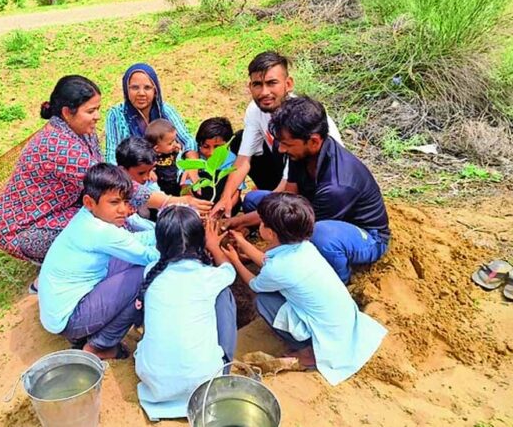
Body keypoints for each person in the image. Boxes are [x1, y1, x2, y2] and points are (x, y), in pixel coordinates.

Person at [223, 193, 387, 385]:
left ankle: (309, 351)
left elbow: (254, 283)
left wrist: (233, 260)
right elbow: (268, 263)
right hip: (340, 322)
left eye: (262, 222)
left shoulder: (279, 269)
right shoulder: (303, 247)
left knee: (263, 300)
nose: (259, 224)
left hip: (326, 338)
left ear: (270, 233)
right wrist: (242, 242)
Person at [235, 97, 391, 283]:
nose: (281, 149)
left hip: (365, 235)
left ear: (314, 141)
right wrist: (237, 221)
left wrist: (254, 253)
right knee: (255, 199)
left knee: (322, 236)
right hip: (313, 208)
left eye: (287, 144)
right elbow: (288, 196)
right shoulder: (300, 154)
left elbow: (300, 232)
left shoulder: (337, 185)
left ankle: (339, 281)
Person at [38, 164, 159, 360]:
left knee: (128, 262)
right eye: (114, 202)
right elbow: (149, 257)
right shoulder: (102, 232)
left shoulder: (88, 219)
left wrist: (161, 232)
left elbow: (132, 242)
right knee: (144, 273)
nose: (123, 209)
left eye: (125, 201)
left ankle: (91, 331)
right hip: (70, 319)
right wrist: (178, 241)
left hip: (60, 310)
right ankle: (99, 345)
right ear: (89, 202)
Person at [134, 206, 237, 420]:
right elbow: (230, 271)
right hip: (205, 384)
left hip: (155, 383)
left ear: (160, 242)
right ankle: (225, 365)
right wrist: (214, 246)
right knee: (224, 295)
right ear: (200, 241)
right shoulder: (209, 277)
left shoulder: (151, 271)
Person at [212, 51, 342, 219]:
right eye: (258, 84)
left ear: (288, 84)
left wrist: (244, 221)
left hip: (319, 184)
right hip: (287, 170)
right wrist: (225, 198)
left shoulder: (301, 119)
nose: (264, 92)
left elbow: (291, 183)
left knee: (275, 211)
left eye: (272, 83)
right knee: (239, 140)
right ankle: (270, 200)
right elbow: (243, 160)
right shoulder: (254, 110)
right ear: (250, 86)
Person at [0, 75, 103, 264]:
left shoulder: (83, 131)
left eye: (98, 109)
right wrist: (166, 201)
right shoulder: (57, 145)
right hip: (24, 230)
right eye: (91, 111)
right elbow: (106, 182)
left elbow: (102, 173)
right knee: (100, 232)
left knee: (109, 218)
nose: (97, 116)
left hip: (57, 209)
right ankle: (45, 281)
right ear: (67, 113)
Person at [104, 64, 199, 183]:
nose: (141, 93)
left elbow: (187, 139)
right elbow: (111, 156)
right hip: (136, 179)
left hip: (171, 173)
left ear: (155, 90)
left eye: (147, 87)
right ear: (126, 89)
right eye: (134, 87)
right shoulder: (116, 115)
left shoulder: (165, 110)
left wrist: (193, 167)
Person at [116, 137, 213, 219]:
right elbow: (162, 201)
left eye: (151, 170)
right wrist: (186, 201)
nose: (146, 177)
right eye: (141, 173)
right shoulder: (120, 187)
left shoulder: (149, 180)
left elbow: (161, 199)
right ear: (122, 170)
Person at [193, 117, 244, 212]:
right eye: (206, 146)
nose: (211, 153)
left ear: (228, 144)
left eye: (217, 147)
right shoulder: (195, 158)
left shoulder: (233, 161)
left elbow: (236, 192)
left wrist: (222, 211)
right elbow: (186, 188)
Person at [145, 119, 182, 197]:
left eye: (175, 140)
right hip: (162, 189)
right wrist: (149, 171)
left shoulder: (174, 151)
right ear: (156, 148)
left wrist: (179, 149)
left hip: (176, 185)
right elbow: (143, 165)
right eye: (170, 143)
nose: (175, 144)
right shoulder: (150, 157)